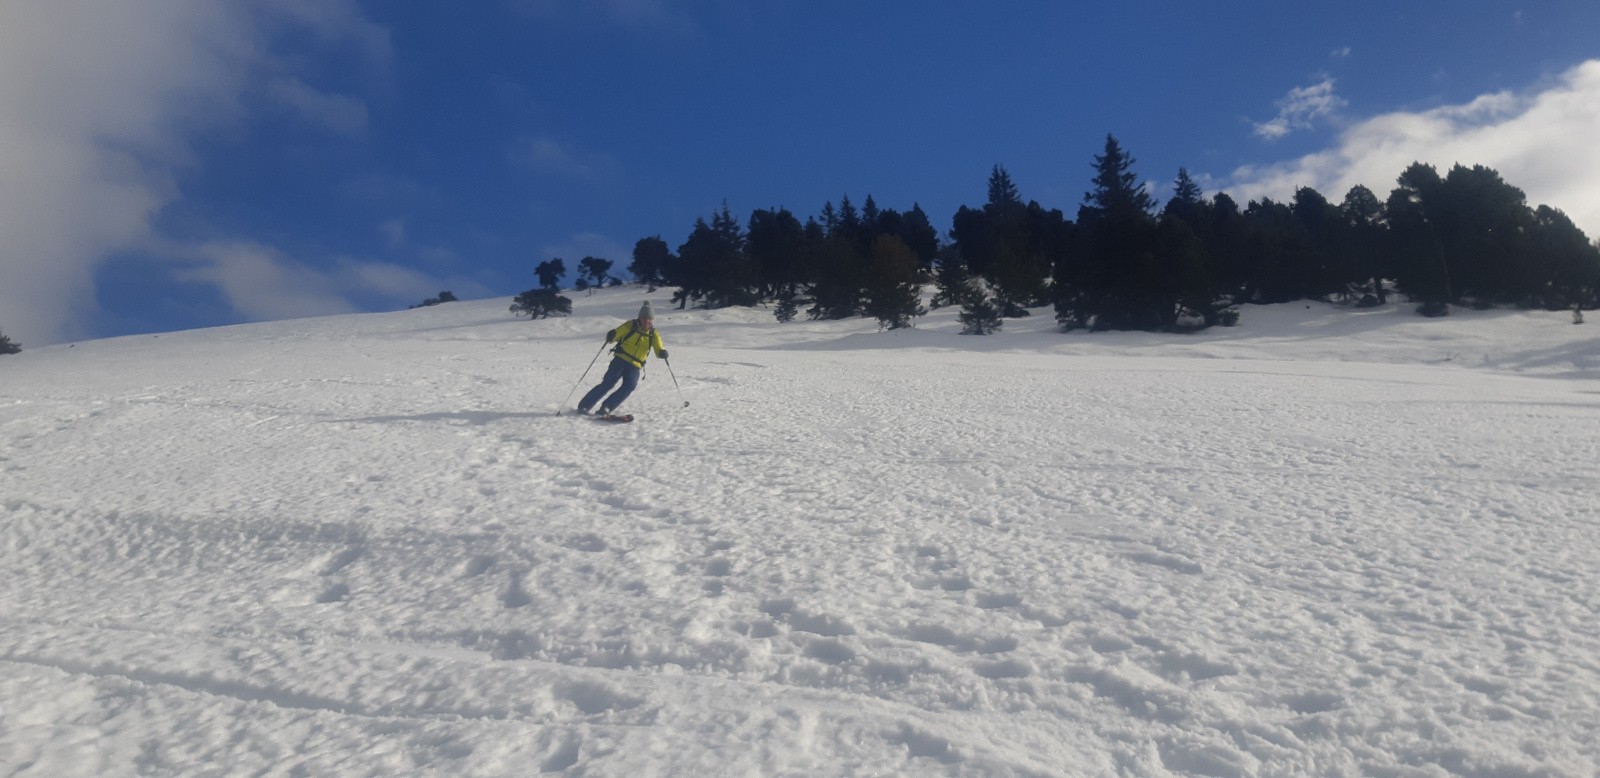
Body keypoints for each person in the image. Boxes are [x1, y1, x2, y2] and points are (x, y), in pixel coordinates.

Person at [577, 301, 668, 416]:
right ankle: (584, 406)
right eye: (644, 318)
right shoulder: (631, 325)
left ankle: (606, 408)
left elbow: (658, 348)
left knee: (630, 386)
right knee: (608, 384)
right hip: (620, 359)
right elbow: (617, 333)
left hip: (635, 365)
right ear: (640, 317)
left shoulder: (653, 334)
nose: (647, 321)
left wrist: (662, 353)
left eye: (649, 319)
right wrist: (612, 335)